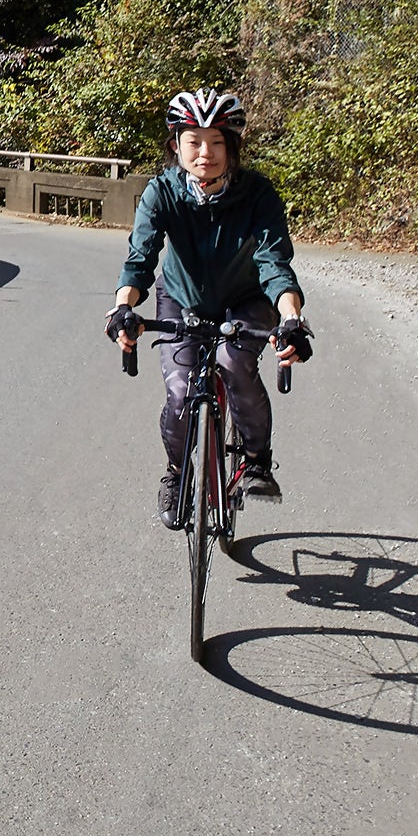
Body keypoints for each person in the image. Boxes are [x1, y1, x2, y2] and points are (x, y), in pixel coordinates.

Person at [103, 89, 314, 529]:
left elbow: (275, 264)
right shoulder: (161, 192)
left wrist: (291, 318)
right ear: (176, 145)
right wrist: (123, 309)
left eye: (217, 142)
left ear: (232, 146)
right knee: (180, 393)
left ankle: (256, 460)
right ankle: (178, 474)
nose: (206, 154)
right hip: (181, 298)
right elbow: (140, 259)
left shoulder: (257, 194)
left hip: (246, 299)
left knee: (233, 361)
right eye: (194, 141)